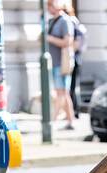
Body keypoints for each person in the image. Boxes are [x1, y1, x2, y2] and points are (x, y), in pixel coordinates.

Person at [46, 0, 75, 130]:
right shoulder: (52, 21)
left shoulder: (65, 21)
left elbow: (68, 41)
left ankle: (51, 121)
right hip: (55, 61)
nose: (48, 9)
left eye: (50, 5)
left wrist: (50, 39)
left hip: (62, 63)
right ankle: (71, 121)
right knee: (64, 93)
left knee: (61, 93)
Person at [65, 6, 86, 119]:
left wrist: (68, 54)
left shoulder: (72, 23)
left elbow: (77, 43)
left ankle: (75, 111)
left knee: (72, 87)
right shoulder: (76, 23)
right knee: (73, 87)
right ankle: (74, 111)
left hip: (74, 60)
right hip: (77, 59)